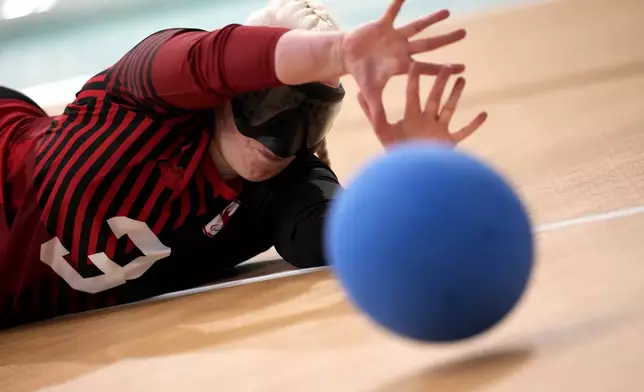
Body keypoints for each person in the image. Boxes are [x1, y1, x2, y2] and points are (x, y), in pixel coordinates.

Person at [0, 0, 487, 329]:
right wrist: (335, 53)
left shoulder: (280, 184)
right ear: (230, 88)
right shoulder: (136, 100)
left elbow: (337, 235)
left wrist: (410, 174)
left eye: (309, 118)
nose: (280, 139)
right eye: (275, 103)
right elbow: (205, 58)